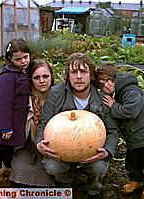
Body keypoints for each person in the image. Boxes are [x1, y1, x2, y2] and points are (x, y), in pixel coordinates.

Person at [35, 53, 120, 198]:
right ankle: (65, 184)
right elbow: (44, 123)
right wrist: (39, 144)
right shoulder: (56, 93)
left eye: (84, 71)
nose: (79, 76)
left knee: (98, 167)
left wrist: (107, 151)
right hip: (61, 151)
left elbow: (112, 130)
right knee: (52, 166)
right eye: (74, 72)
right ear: (68, 75)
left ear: (91, 75)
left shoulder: (102, 96)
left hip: (92, 151)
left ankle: (94, 189)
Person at [94, 63, 144, 199]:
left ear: (115, 77)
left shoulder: (131, 90)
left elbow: (131, 111)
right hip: (135, 136)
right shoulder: (117, 93)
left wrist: (113, 105)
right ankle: (136, 181)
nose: (107, 85)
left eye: (109, 80)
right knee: (132, 160)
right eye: (102, 84)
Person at [0, 59, 55, 187]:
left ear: (51, 76)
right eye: (36, 77)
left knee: (50, 174)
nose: (42, 81)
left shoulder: (58, 96)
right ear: (30, 79)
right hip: (24, 146)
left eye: (45, 76)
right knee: (20, 173)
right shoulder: (21, 97)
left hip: (49, 146)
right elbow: (4, 107)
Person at [0, 38, 31, 187]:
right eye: (18, 59)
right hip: (5, 123)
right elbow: (3, 103)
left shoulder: (23, 72)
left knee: (8, 152)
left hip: (16, 121)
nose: (23, 61)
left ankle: (5, 179)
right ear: (10, 59)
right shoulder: (7, 76)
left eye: (26, 57)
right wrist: (5, 126)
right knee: (0, 152)